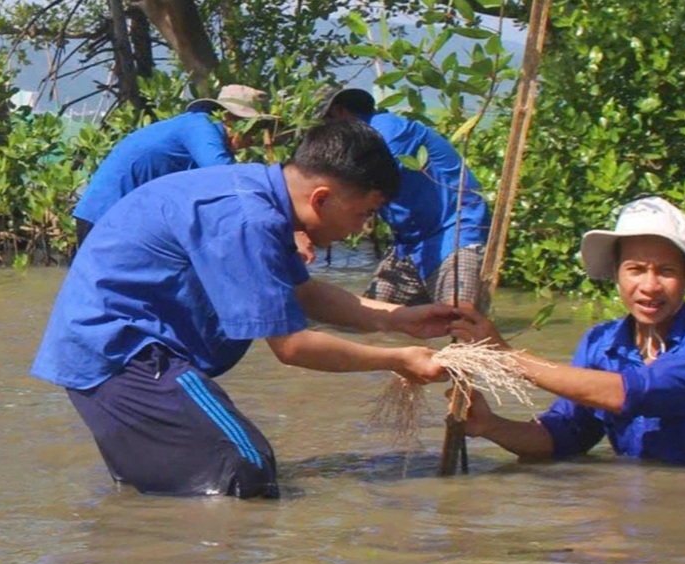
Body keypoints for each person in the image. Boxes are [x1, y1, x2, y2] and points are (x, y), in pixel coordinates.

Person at [31, 120, 456, 498]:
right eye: (364, 214)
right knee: (245, 469)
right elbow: (293, 346)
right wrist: (399, 360)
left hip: (113, 355)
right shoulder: (247, 218)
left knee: (168, 495)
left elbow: (301, 293)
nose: (359, 230)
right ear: (322, 198)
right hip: (125, 356)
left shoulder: (258, 195)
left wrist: (396, 319)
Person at [449, 196, 685, 468]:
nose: (649, 286)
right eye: (635, 269)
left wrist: (507, 358)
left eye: (667, 271)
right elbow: (563, 436)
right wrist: (490, 426)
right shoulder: (601, 343)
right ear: (616, 276)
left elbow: (638, 391)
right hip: (637, 510)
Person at [71, 84, 316, 263]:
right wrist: (289, 232)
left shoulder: (205, 138)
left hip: (125, 220)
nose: (253, 139)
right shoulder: (199, 127)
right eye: (253, 128)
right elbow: (228, 181)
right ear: (230, 119)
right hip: (105, 216)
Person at [319, 87, 491, 307]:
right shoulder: (362, 142)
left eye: (327, 122)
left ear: (341, 112)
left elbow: (356, 184)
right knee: (369, 318)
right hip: (409, 242)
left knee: (461, 317)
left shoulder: (388, 131)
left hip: (455, 229)